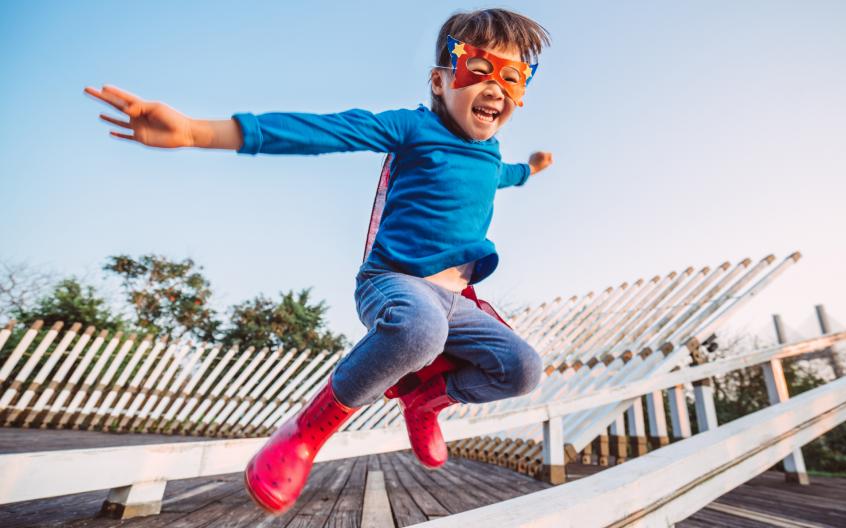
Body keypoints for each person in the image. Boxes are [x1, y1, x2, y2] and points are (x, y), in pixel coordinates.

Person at [86, 7, 553, 515]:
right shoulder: (413, 128)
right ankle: (305, 434)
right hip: (395, 282)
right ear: (439, 81)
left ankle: (427, 400)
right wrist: (197, 132)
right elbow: (329, 130)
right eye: (479, 70)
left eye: (513, 78)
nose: (497, 89)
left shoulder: (490, 155)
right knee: (420, 332)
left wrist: (530, 168)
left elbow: (506, 175)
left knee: (522, 369)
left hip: (455, 301)